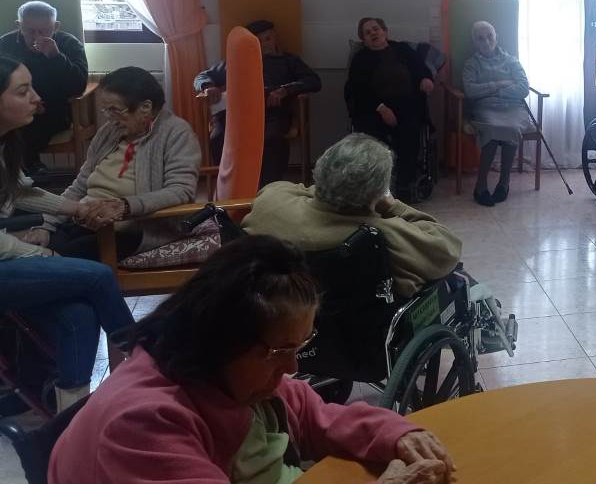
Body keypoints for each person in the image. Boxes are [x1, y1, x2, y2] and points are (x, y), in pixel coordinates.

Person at [48, 235, 457, 484]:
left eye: (300, 346)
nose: (293, 368)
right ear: (221, 340)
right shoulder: (141, 424)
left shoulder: (235, 375)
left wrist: (396, 433)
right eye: (282, 352)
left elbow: (315, 414)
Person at [0, 55, 133, 412]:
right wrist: (36, 253)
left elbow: (21, 191)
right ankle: (146, 364)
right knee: (97, 277)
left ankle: (70, 414)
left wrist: (75, 208)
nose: (36, 98)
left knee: (78, 312)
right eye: (23, 90)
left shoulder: (7, 142)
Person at [242, 134, 462, 299]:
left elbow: (301, 189)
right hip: (353, 334)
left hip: (279, 317)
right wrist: (393, 206)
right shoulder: (380, 236)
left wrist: (331, 188)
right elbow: (448, 248)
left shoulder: (272, 200)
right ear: (376, 196)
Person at [25, 67, 200, 261]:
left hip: (135, 229)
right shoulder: (109, 132)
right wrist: (45, 225)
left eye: (115, 110)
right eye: (106, 110)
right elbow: (80, 184)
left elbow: (181, 191)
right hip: (85, 220)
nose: (109, 118)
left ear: (145, 108)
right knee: (33, 253)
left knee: (58, 262)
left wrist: (125, 206)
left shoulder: (176, 133)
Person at [194, 19, 321, 187]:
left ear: (275, 38)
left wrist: (285, 89)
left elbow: (314, 81)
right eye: (259, 41)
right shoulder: (236, 60)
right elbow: (202, 76)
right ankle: (230, 186)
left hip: (271, 112)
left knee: (273, 139)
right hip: (236, 114)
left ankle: (267, 189)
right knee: (219, 136)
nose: (264, 44)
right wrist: (208, 87)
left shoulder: (289, 60)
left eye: (268, 39)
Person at [346, 17, 436, 200]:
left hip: (407, 104)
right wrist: (381, 108)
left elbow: (421, 68)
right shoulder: (360, 59)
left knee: (410, 131)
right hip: (373, 108)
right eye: (367, 32)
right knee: (373, 138)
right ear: (364, 40)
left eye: (376, 29)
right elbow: (358, 90)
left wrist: (426, 79)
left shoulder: (403, 49)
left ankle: (403, 185)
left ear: (385, 31)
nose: (373, 33)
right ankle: (378, 186)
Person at [0, 1, 88, 173]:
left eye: (44, 31)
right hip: (12, 107)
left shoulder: (69, 44)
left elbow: (78, 86)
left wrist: (56, 56)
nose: (37, 36)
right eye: (30, 31)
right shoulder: (5, 45)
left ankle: (24, 172)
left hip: (55, 109)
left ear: (55, 26)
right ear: (19, 26)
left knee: (27, 129)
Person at [462, 21, 533, 207]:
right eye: (480, 38)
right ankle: (481, 185)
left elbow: (523, 88)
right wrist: (500, 84)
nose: (486, 41)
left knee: (510, 128)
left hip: (513, 108)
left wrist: (493, 90)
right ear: (475, 42)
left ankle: (504, 183)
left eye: (489, 36)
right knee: (493, 130)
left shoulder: (512, 61)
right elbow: (470, 90)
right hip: (486, 108)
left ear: (496, 38)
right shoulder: (471, 64)